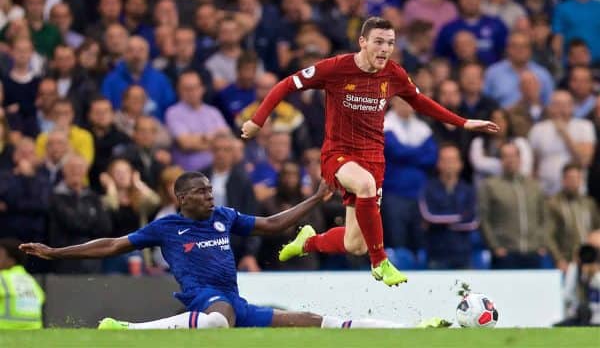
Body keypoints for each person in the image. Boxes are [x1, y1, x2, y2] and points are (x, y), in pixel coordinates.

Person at [241, 17, 498, 286]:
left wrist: (464, 122)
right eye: (378, 42)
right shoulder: (337, 68)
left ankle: (309, 241)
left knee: (355, 244)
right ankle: (381, 262)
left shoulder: (394, 74)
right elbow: (286, 84)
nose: (385, 49)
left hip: (373, 159)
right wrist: (257, 121)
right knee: (364, 186)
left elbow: (420, 102)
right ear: (362, 42)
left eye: (390, 43)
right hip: (338, 155)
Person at [18, 172, 449, 329]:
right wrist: (56, 253)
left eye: (210, 189)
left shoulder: (224, 215)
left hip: (233, 301)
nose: (209, 195)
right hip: (204, 297)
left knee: (310, 321)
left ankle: (410, 330)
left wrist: (316, 199)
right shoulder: (167, 226)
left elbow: (273, 225)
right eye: (201, 191)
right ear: (181, 197)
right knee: (217, 319)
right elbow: (111, 245)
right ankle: (129, 330)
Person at [0, 238, 45, 329]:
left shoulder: (3, 278)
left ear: (11, 259)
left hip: (5, 330)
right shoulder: (30, 280)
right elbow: (42, 297)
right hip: (33, 333)